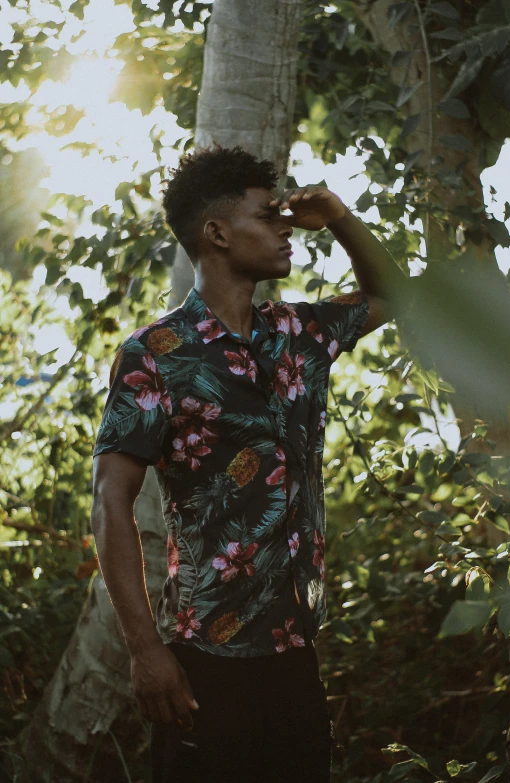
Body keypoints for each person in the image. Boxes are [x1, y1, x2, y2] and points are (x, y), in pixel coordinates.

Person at [90, 145, 405, 782]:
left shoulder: (300, 333)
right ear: (216, 233)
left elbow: (394, 294)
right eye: (269, 215)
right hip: (205, 657)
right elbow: (110, 499)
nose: (287, 226)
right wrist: (146, 651)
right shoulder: (156, 354)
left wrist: (340, 216)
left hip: (293, 650)